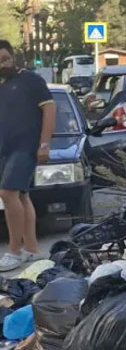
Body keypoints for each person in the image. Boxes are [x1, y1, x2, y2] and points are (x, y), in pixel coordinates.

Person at [0, 41, 56, 272]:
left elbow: (50, 110)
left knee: (7, 193)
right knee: (22, 196)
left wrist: (44, 144)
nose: (2, 64)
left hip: (26, 147)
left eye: (5, 59)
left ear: (13, 57)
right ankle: (32, 250)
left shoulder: (31, 81)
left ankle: (14, 251)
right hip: (3, 149)